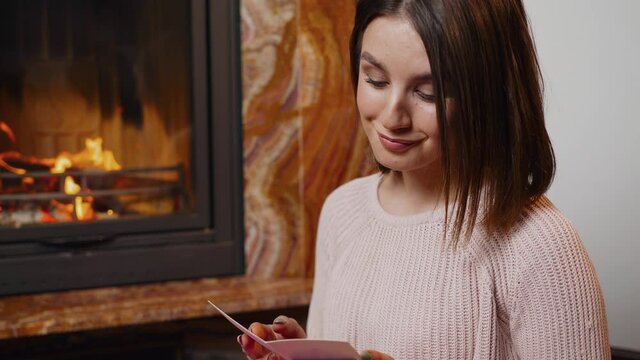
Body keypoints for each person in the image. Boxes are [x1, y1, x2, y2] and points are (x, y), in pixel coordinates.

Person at [238, 0, 610, 358]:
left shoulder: (539, 243)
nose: (392, 116)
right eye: (376, 80)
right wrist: (305, 353)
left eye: (428, 92)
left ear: (488, 94)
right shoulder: (342, 211)